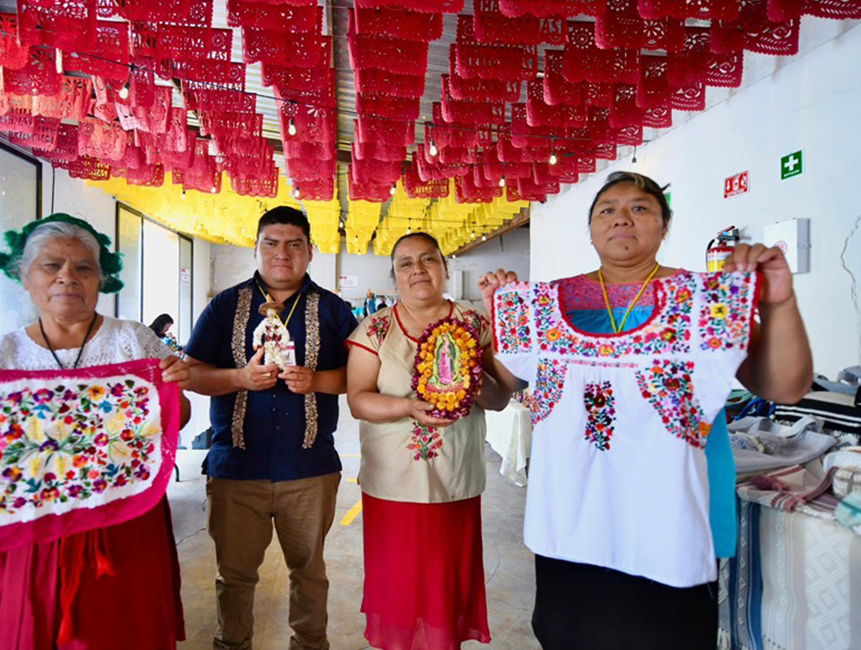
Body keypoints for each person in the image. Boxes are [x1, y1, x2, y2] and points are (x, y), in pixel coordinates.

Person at [478, 172, 812, 649]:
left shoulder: (702, 301)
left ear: (664, 225)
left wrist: (778, 302)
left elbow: (787, 386)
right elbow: (500, 389)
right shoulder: (544, 304)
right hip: (573, 517)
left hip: (671, 513)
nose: (622, 218)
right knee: (572, 632)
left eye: (640, 208)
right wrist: (461, 367)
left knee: (664, 633)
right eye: (607, 209)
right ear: (590, 228)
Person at [0, 214, 192, 650]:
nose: (67, 278)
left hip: (120, 521)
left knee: (119, 630)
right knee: (28, 628)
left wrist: (172, 389)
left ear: (101, 279)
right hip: (27, 527)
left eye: (83, 268)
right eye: (51, 265)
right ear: (24, 275)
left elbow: (175, 418)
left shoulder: (132, 341)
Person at [184, 206, 358, 650]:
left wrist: (317, 381)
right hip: (236, 467)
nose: (283, 253)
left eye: (294, 244)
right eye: (272, 243)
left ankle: (310, 644)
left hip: (310, 465)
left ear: (310, 251)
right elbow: (191, 373)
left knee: (310, 573)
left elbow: (362, 377)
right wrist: (238, 378)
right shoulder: (225, 305)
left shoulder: (334, 309)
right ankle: (233, 644)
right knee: (235, 577)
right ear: (256, 248)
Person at [345, 233, 510, 649]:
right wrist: (407, 407)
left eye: (428, 259)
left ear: (445, 269)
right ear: (394, 277)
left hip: (454, 481)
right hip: (393, 485)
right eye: (405, 263)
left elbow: (502, 397)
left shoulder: (475, 323)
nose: (418, 268)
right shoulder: (376, 328)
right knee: (398, 590)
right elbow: (359, 401)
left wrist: (475, 382)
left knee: (444, 589)